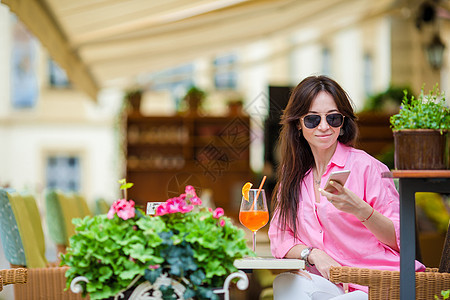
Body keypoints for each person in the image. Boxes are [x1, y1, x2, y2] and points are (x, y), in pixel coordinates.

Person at [268, 75, 425, 300]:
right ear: (298, 125)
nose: (324, 126)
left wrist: (362, 210)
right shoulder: (293, 176)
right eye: (312, 119)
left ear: (342, 125)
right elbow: (280, 237)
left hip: (376, 283)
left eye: (333, 118)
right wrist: (313, 254)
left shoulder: (367, 167)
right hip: (331, 283)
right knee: (285, 283)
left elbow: (401, 239)